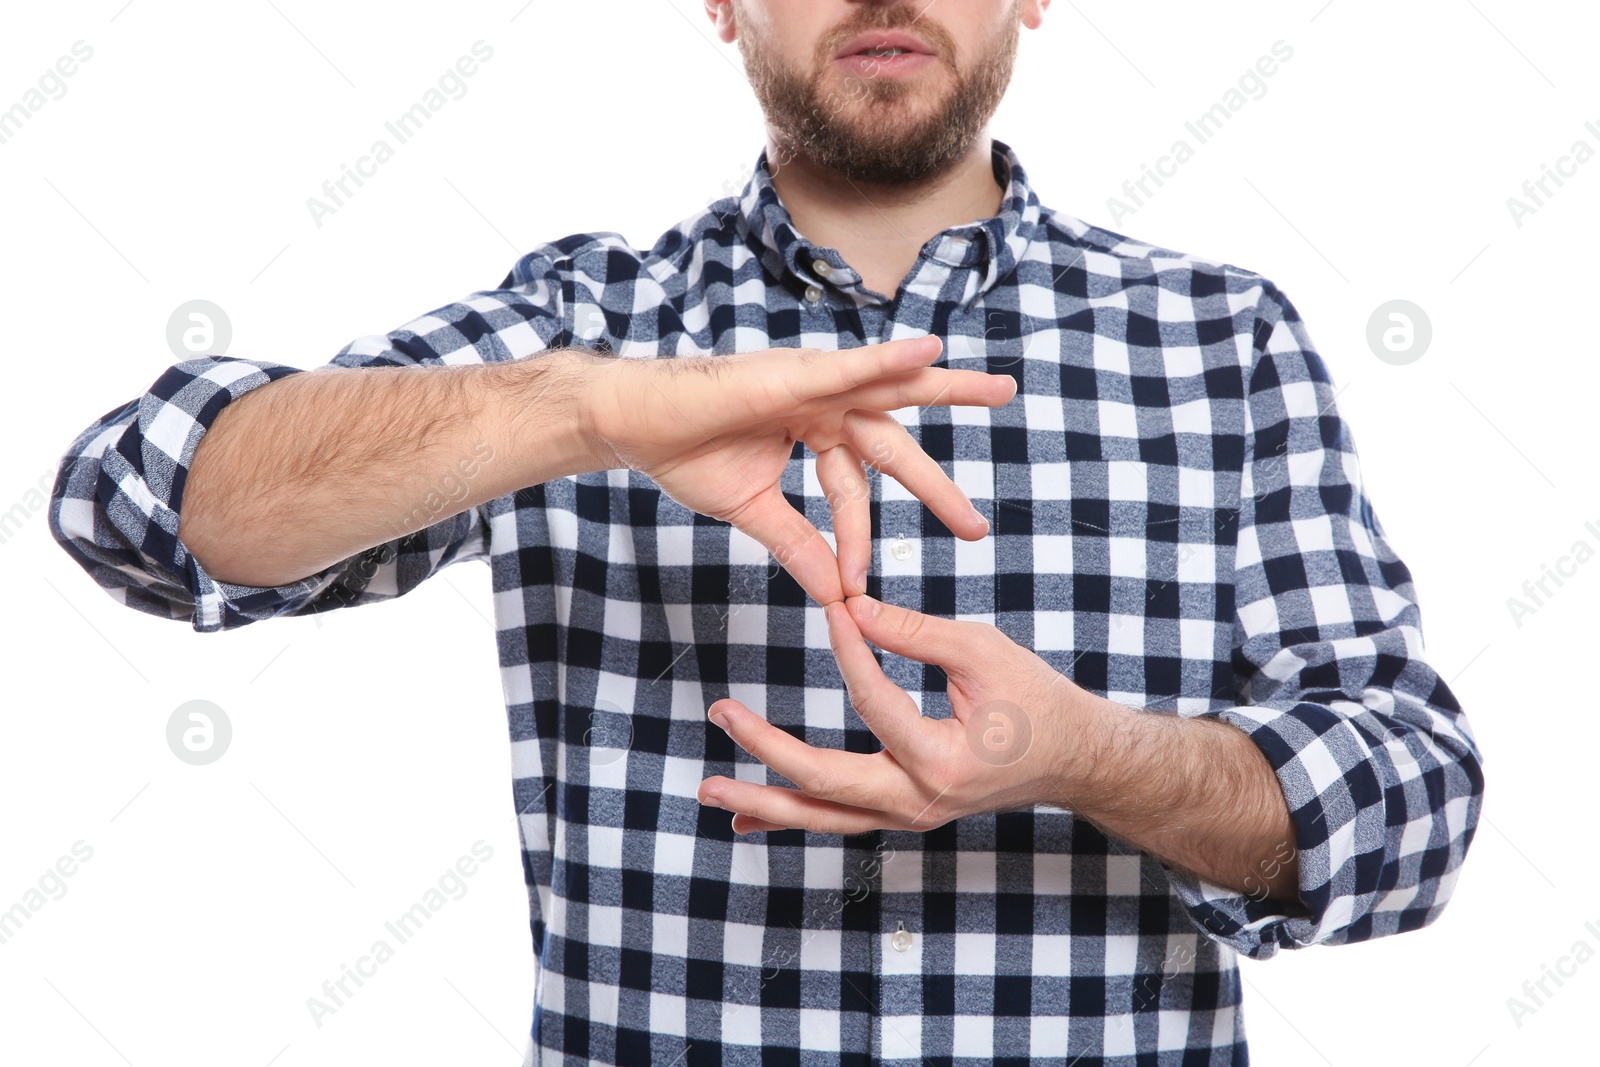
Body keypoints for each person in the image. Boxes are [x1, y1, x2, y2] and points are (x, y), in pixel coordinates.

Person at [49, 0, 1484, 1063]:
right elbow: (135, 506)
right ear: (722, 5)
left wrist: (1085, 757)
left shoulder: (1216, 339)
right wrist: (582, 413)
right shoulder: (592, 335)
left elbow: (1418, 808)